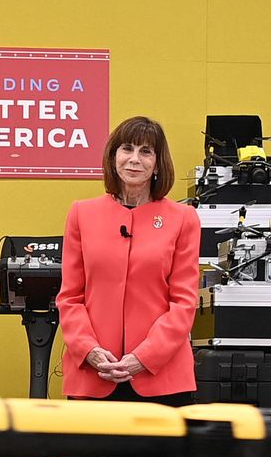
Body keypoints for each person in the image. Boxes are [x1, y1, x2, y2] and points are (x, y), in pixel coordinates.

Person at [55, 115, 200, 406]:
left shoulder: (183, 219)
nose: (135, 159)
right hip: (93, 374)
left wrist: (143, 357)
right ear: (113, 156)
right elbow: (70, 297)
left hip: (162, 380)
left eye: (146, 152)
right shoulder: (81, 214)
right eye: (127, 149)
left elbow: (184, 303)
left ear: (158, 163)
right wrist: (89, 350)